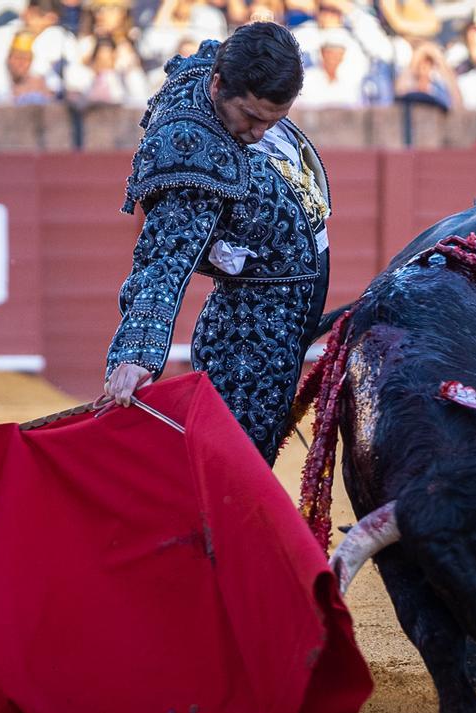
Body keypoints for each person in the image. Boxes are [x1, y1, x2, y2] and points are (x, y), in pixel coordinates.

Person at [102, 22, 331, 465]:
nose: (259, 133)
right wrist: (136, 354)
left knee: (225, 419)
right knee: (239, 444)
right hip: (272, 295)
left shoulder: (214, 67)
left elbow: (222, 45)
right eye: (250, 116)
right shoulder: (192, 151)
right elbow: (163, 260)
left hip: (267, 277)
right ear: (218, 83)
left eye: (273, 120)